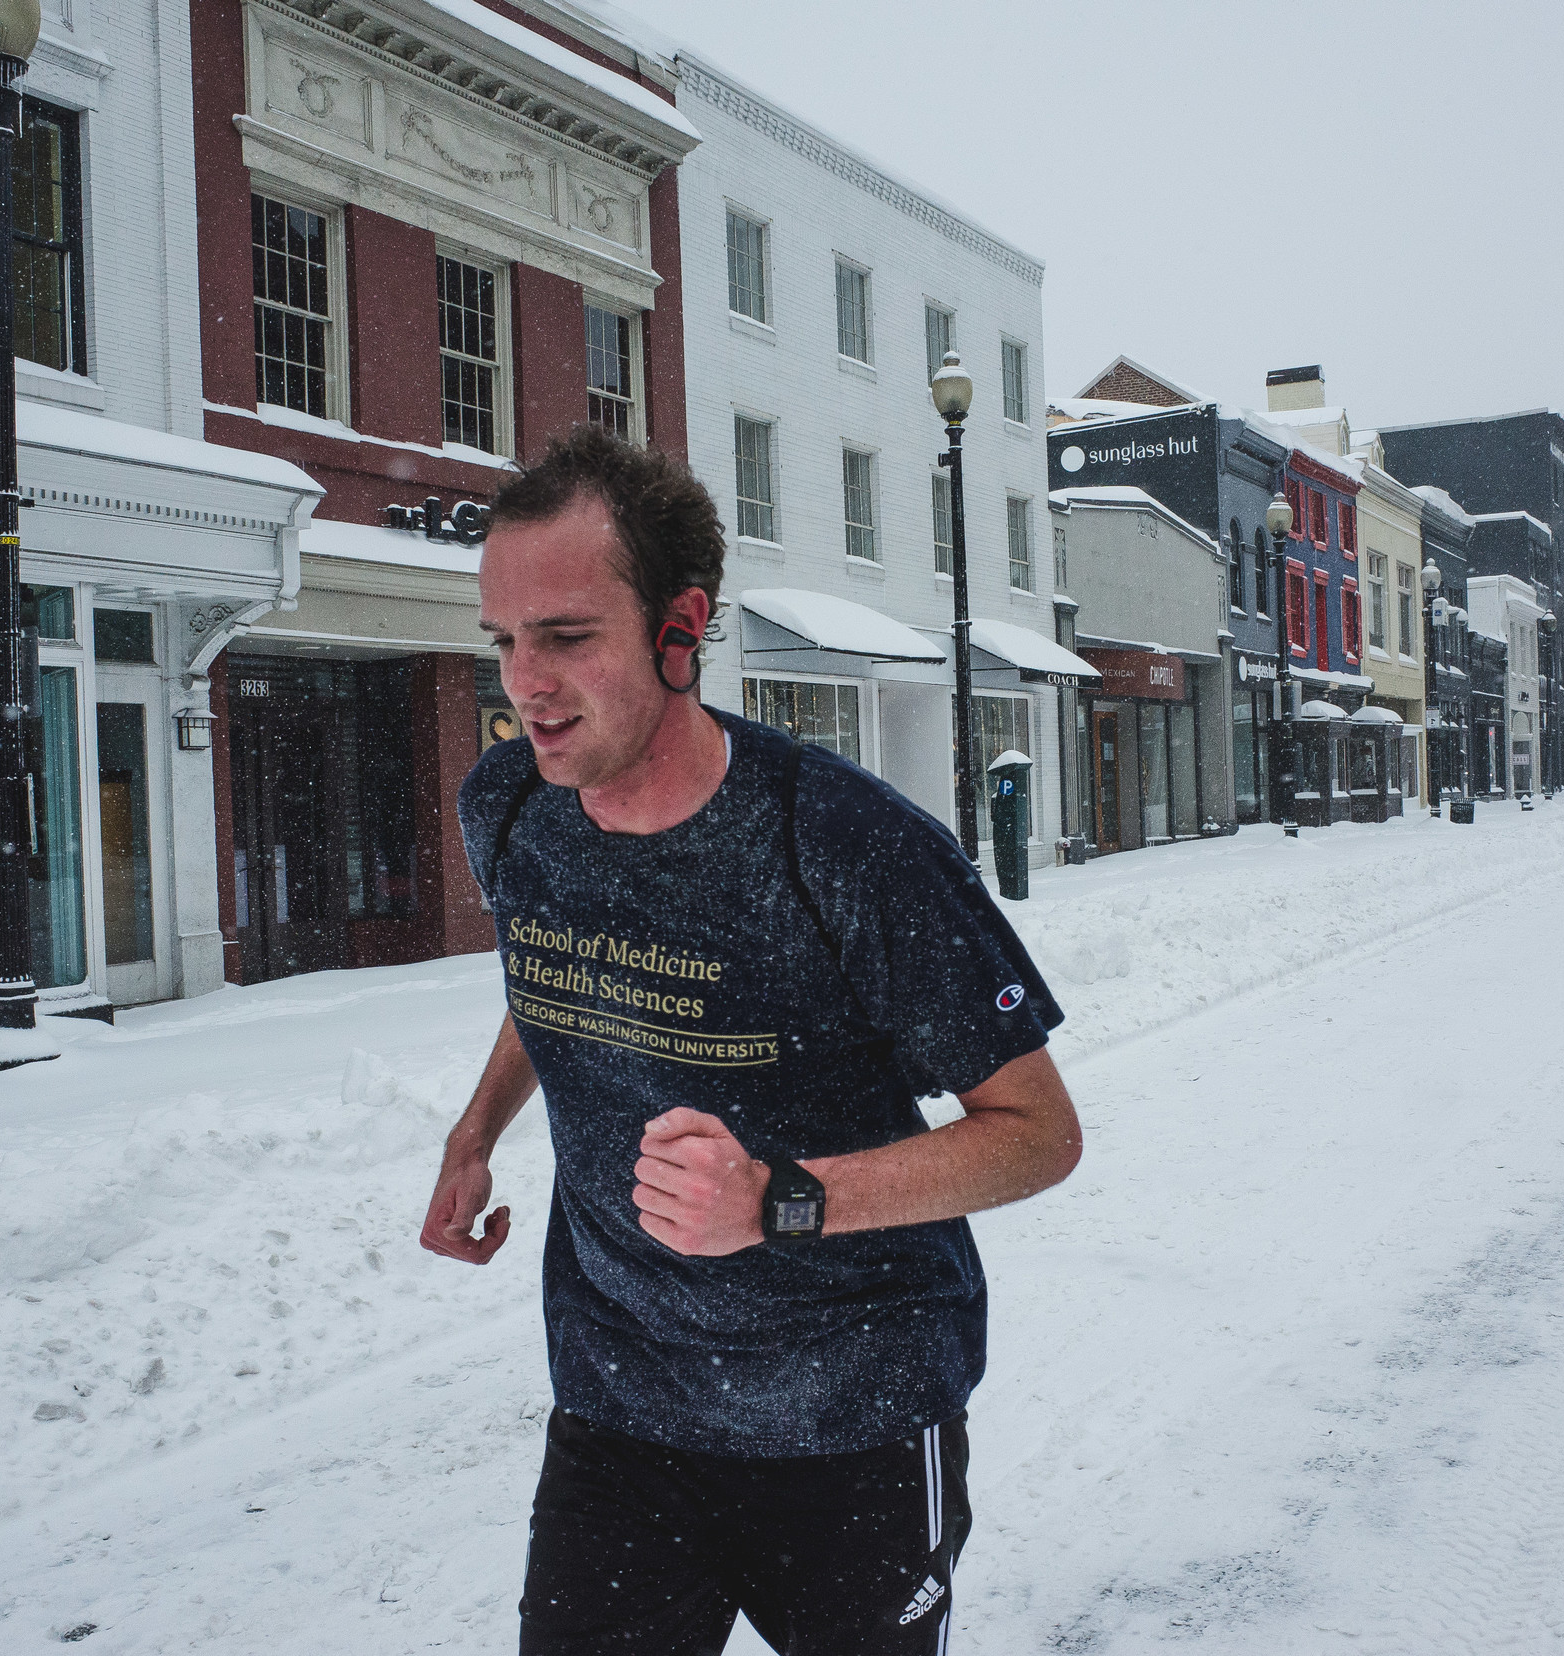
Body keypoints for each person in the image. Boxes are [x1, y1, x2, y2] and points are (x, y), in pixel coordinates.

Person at [419, 428, 1083, 1654]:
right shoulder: (511, 807)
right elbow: (559, 974)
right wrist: (476, 1134)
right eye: (503, 643)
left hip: (857, 1419)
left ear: (681, 628)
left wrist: (779, 1200)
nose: (525, 682)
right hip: (619, 1408)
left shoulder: (845, 846)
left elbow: (1037, 1137)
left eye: (565, 637)